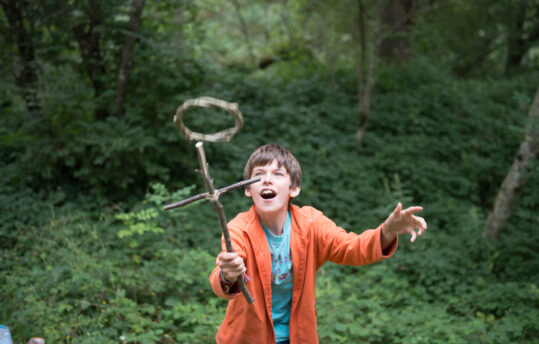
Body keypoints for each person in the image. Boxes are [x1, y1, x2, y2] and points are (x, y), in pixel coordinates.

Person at [209, 144, 427, 344]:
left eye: (277, 174)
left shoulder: (311, 224)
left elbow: (352, 247)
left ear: (293, 189)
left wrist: (386, 231)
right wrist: (228, 274)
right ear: (248, 189)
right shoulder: (239, 228)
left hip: (298, 338)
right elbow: (224, 275)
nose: (267, 180)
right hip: (245, 338)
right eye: (258, 175)